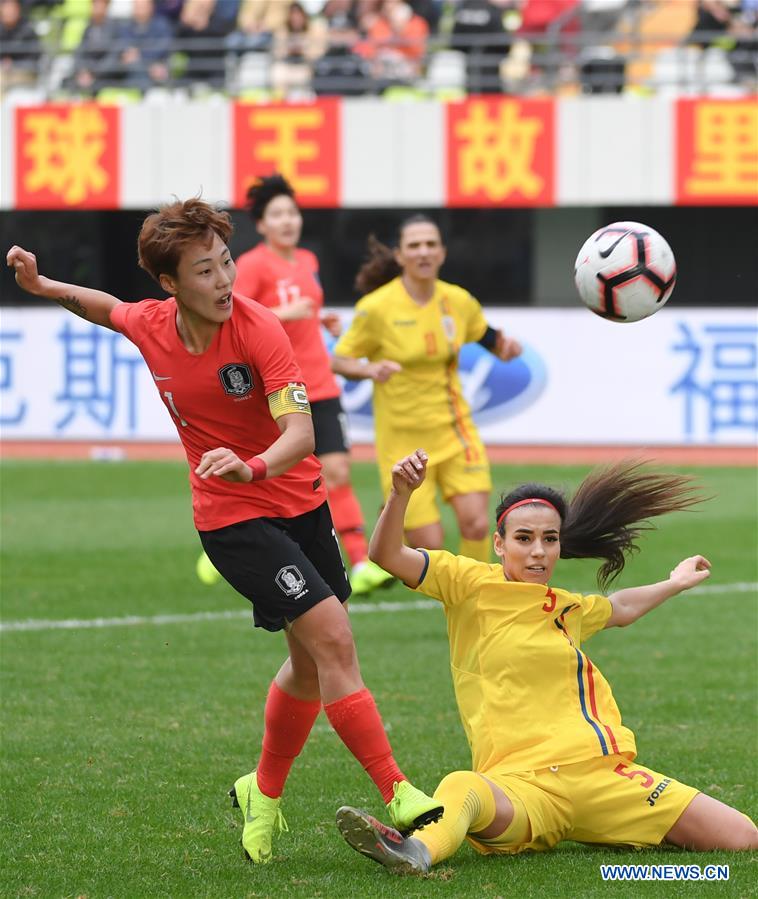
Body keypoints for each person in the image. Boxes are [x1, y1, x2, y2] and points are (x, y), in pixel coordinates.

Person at [5, 201, 443, 866]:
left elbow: (301, 432)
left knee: (307, 662)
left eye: (227, 262)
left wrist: (255, 463)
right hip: (231, 520)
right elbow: (104, 308)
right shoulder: (151, 324)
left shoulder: (260, 328)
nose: (223, 279)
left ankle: (261, 792)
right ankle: (400, 790)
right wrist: (43, 287)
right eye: (204, 269)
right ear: (170, 284)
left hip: (298, 504)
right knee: (332, 637)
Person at [335, 449, 758, 874]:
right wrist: (401, 494)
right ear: (499, 544)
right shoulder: (466, 583)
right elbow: (387, 554)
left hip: (603, 777)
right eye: (524, 538)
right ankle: (417, 852)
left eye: (549, 539)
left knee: (743, 838)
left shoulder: (567, 608)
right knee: (462, 787)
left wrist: (674, 582)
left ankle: (617, 839)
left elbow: (620, 607)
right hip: (520, 789)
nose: (538, 552)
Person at [196, 175, 393, 597]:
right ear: (262, 224)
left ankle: (360, 563)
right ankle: (226, 536)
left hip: (319, 382)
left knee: (337, 471)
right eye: (277, 215)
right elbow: (231, 317)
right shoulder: (250, 265)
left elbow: (302, 312)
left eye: (293, 212)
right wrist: (286, 312)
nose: (288, 221)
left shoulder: (307, 260)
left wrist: (319, 320)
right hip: (278, 387)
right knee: (276, 473)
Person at [331, 215, 522, 565]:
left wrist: (507, 349)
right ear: (400, 256)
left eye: (431, 244)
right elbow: (339, 360)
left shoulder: (458, 301)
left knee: (478, 524)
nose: (423, 252)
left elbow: (489, 338)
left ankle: (475, 600)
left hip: (455, 430)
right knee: (430, 544)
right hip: (402, 442)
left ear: (443, 253)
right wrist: (369, 369)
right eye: (414, 245)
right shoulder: (375, 308)